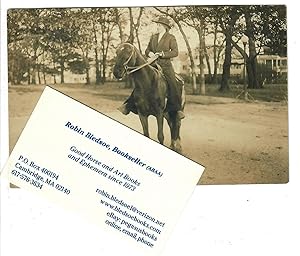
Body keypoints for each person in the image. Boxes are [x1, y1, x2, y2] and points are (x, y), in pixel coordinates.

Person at [118, 16, 185, 119]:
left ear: (164, 26)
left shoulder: (170, 37)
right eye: (157, 24)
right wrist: (150, 54)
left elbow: (175, 52)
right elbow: (147, 50)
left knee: (173, 83)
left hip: (165, 66)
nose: (157, 26)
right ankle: (128, 105)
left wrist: (162, 54)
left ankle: (177, 110)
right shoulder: (153, 37)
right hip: (152, 64)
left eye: (159, 25)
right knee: (140, 83)